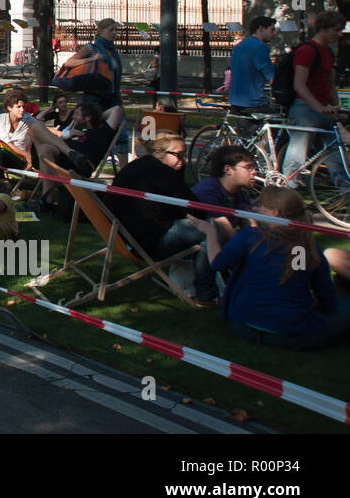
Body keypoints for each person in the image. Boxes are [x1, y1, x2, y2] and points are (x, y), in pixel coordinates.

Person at [193, 186, 350, 349]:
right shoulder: (305, 247)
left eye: (262, 205)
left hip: (243, 325)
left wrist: (210, 232)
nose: (257, 209)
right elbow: (326, 299)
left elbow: (217, 262)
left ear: (275, 212)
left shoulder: (250, 236)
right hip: (292, 333)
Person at [103, 133, 218, 305]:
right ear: (158, 152)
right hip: (148, 243)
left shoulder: (137, 166)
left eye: (184, 155)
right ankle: (206, 293)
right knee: (209, 229)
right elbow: (196, 208)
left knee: (204, 225)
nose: (184, 160)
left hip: (125, 237)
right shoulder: (161, 172)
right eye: (178, 154)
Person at [279, 11, 347, 184]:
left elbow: (330, 85)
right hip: (305, 110)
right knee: (297, 158)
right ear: (323, 28)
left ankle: (345, 196)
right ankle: (285, 195)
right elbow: (299, 85)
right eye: (336, 30)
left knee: (336, 155)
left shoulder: (328, 53)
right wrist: (319, 107)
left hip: (325, 110)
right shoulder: (307, 51)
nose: (339, 34)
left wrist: (336, 108)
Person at [190, 145, 256, 239]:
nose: (254, 171)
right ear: (228, 170)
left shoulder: (241, 194)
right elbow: (227, 232)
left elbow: (251, 229)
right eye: (248, 167)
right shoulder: (207, 192)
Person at [70, 18, 123, 112]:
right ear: (101, 31)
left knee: (118, 124)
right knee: (96, 125)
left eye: (116, 30)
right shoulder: (91, 48)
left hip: (113, 97)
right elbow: (70, 62)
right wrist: (92, 59)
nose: (115, 33)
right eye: (111, 30)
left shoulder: (113, 51)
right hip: (93, 98)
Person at [228, 16, 277, 113]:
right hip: (253, 102)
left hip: (235, 100)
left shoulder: (239, 46)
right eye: (272, 30)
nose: (274, 33)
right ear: (261, 29)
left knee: (246, 128)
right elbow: (270, 75)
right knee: (276, 124)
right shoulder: (260, 47)